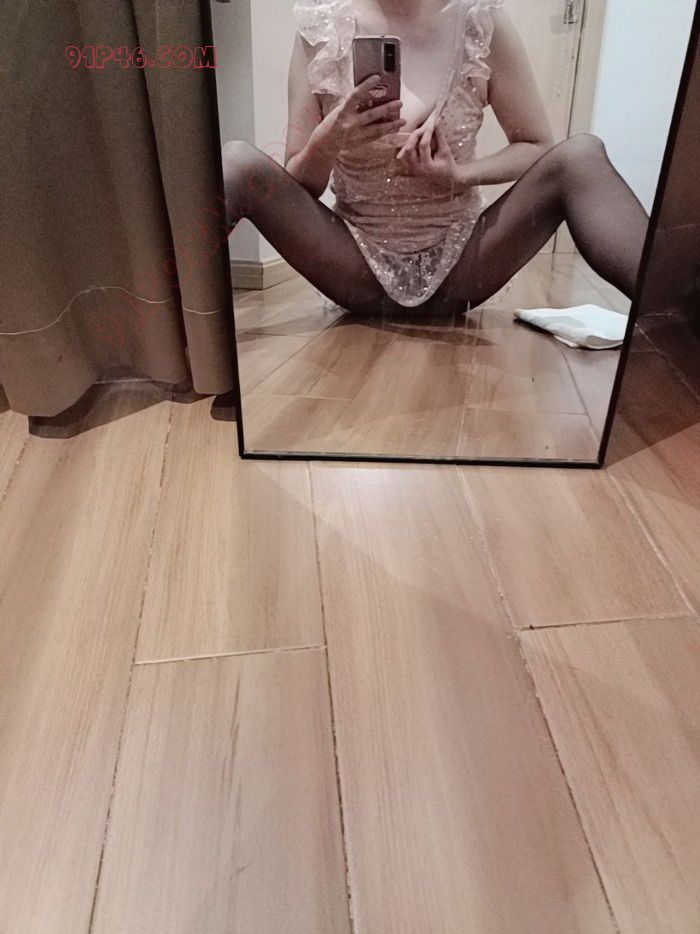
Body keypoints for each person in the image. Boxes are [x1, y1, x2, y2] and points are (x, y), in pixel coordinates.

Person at [221, 0, 649, 318]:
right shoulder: (320, 30)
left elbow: (536, 145)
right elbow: (299, 188)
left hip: (465, 264)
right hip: (350, 263)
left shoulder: (481, 23)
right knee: (238, 163)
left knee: (580, 157)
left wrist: (460, 175)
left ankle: (674, 318)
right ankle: (195, 345)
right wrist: (330, 140)